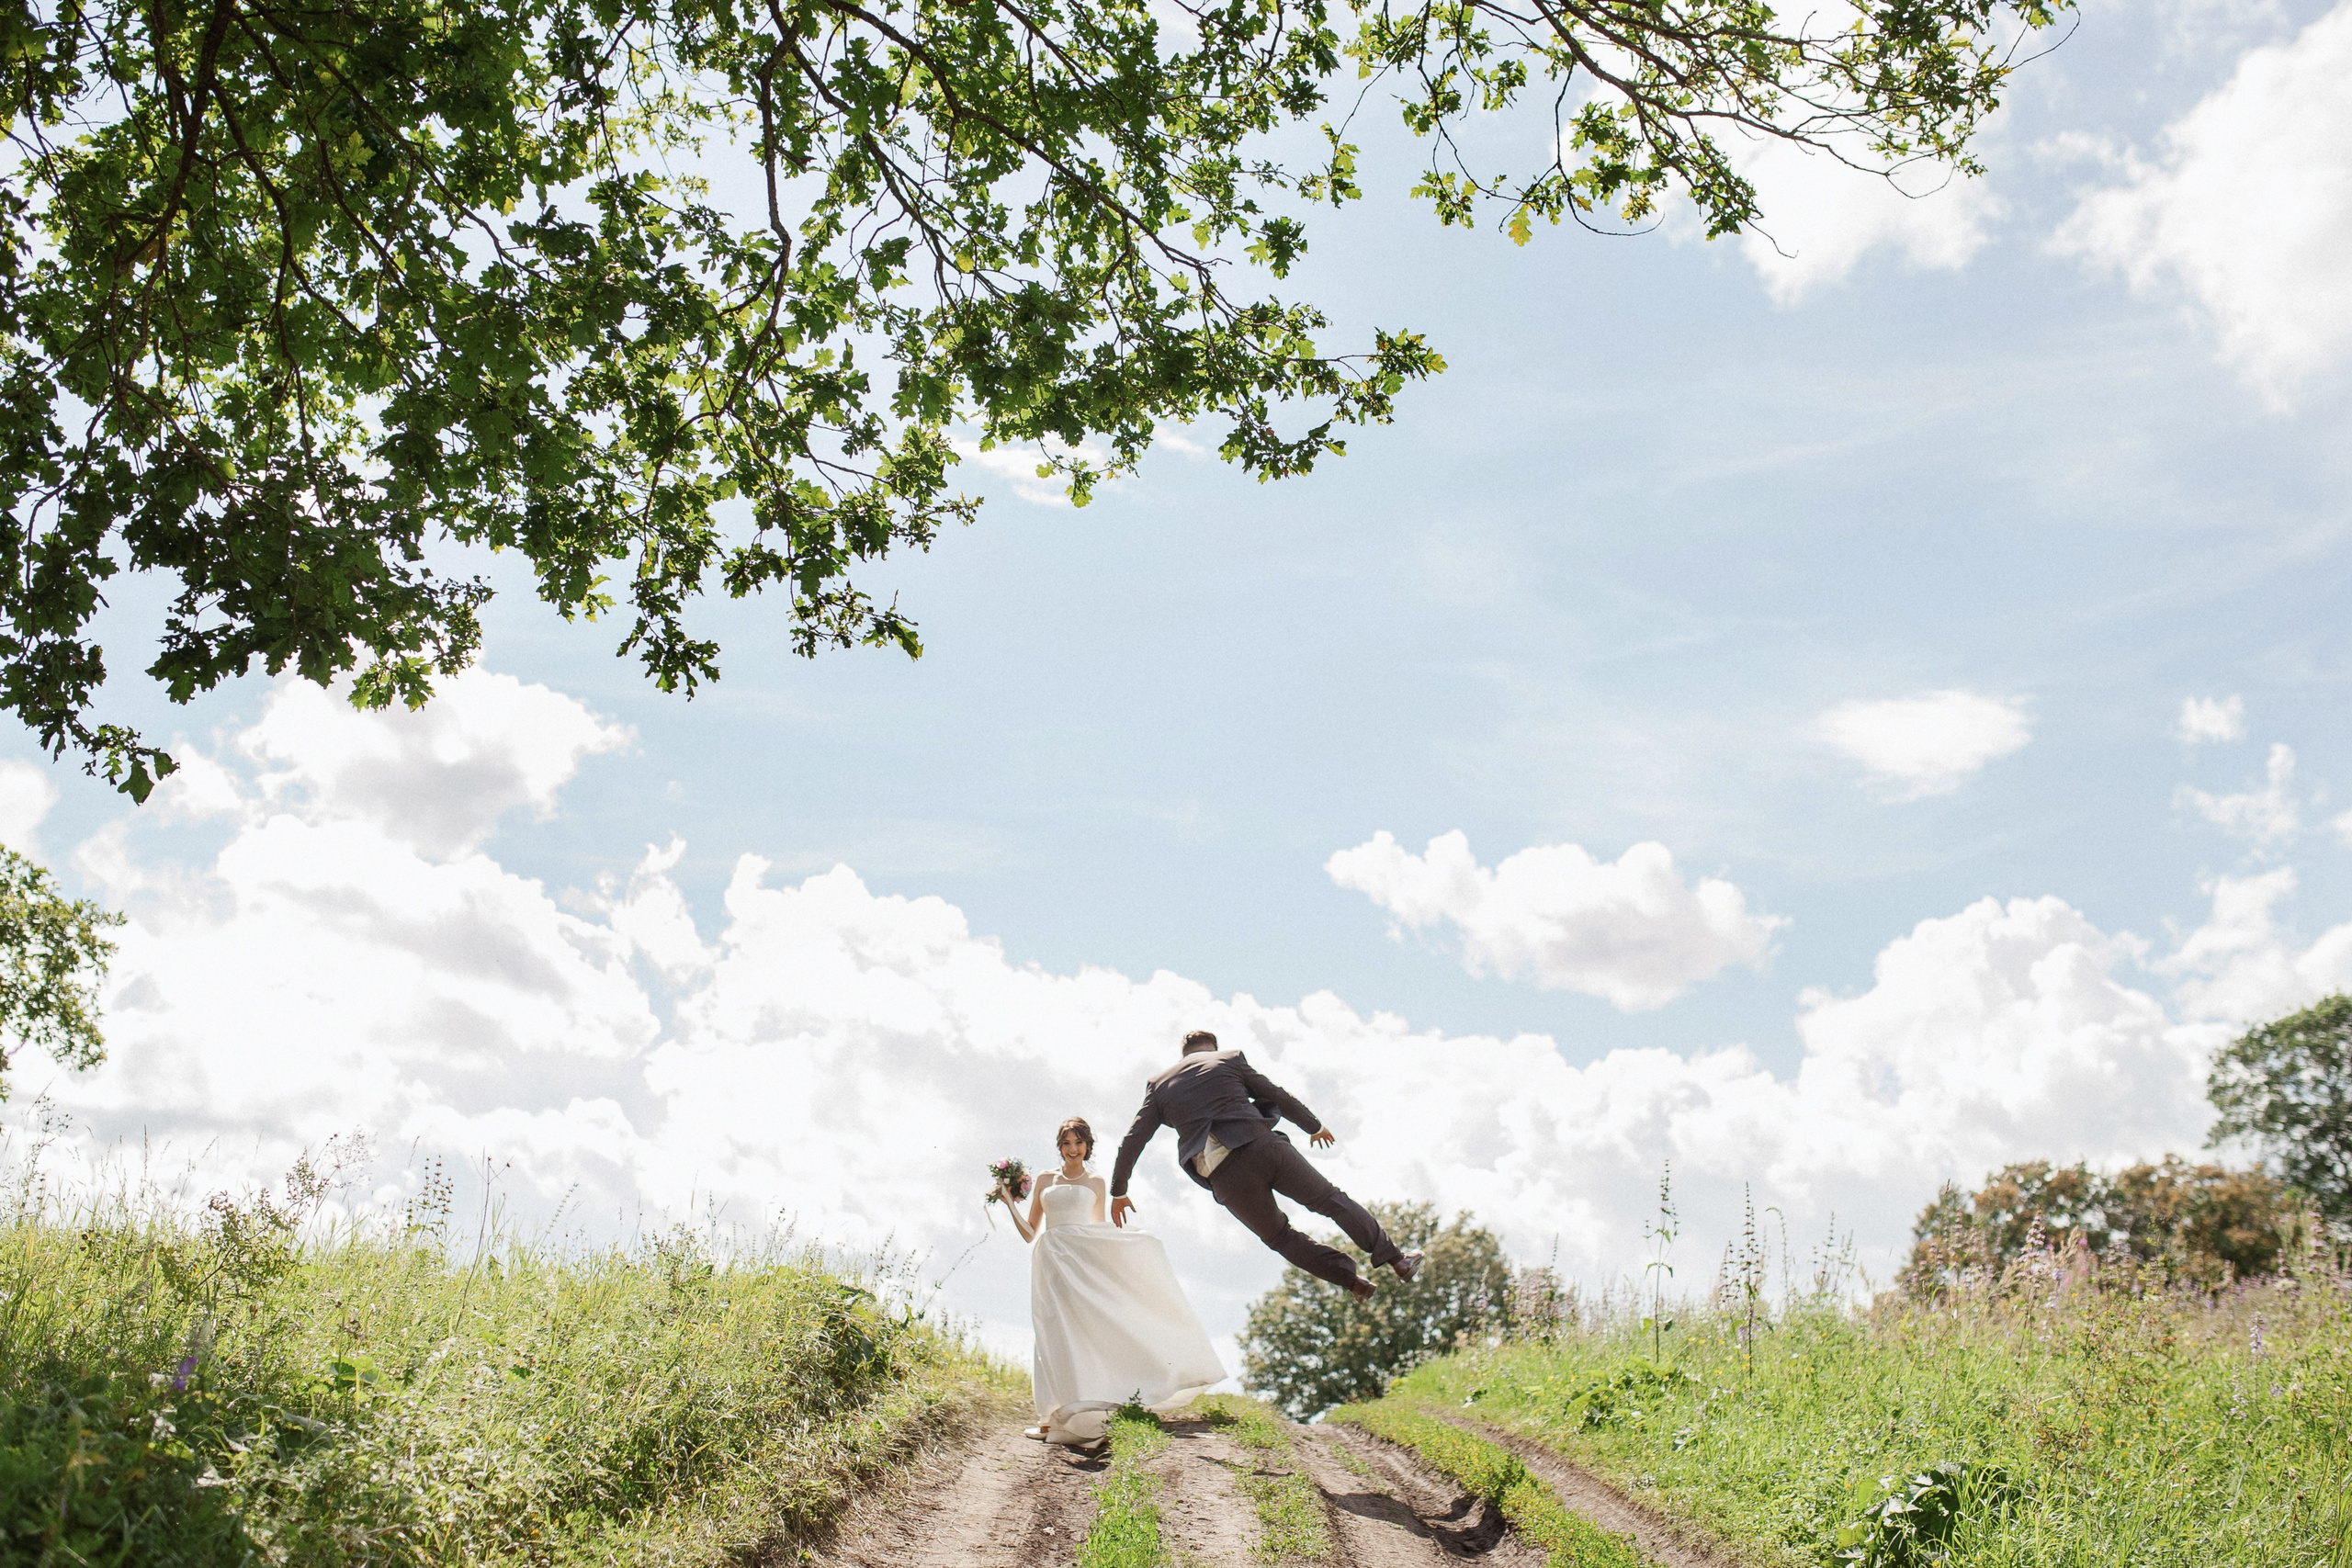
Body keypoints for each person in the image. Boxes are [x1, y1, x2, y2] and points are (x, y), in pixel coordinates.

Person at [1109, 1031, 1420, 1302]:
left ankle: (1353, 1283)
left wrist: (1119, 1190)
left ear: (1183, 1055)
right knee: (1330, 1200)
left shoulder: (1159, 1085)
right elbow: (1274, 1094)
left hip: (1226, 1177)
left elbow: (1134, 1139)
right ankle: (1396, 1260)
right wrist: (1312, 1125)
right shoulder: (1228, 1059)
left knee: (1280, 1237)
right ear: (1213, 1047)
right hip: (1264, 1147)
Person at [995, 1115, 1226, 1446]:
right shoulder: (1045, 1180)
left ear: (1087, 1145)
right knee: (1050, 1331)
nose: (1072, 1149)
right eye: (1066, 1143)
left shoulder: (1097, 1183)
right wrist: (1008, 1204)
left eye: (1078, 1142)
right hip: (1049, 1261)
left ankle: (1082, 1407)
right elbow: (1030, 1233)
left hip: (1080, 1264)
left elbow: (1096, 1231)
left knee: (1082, 1331)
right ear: (1059, 1146)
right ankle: (1049, 1416)